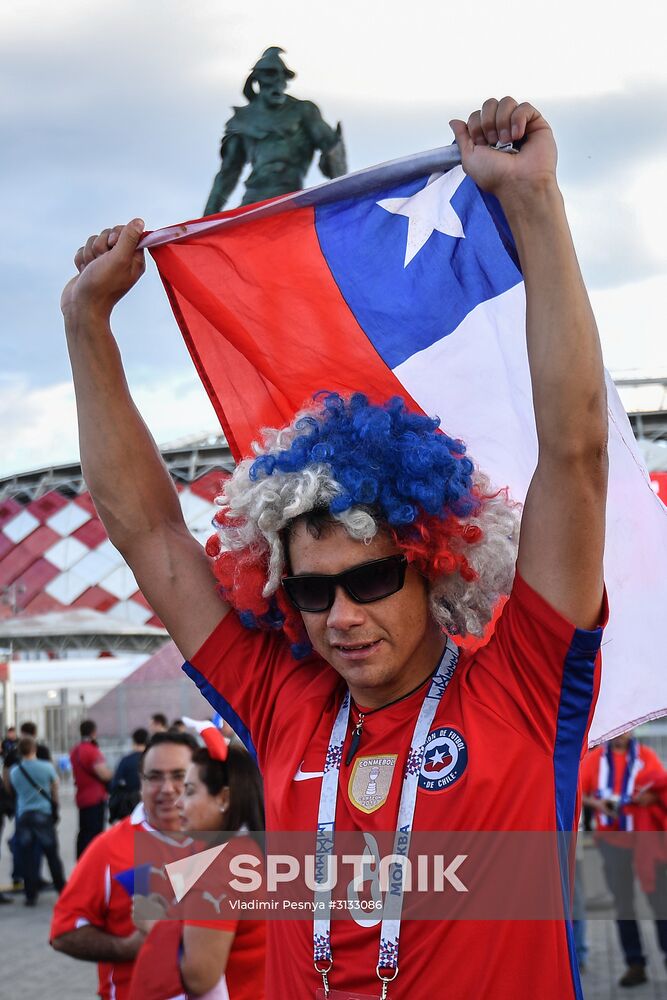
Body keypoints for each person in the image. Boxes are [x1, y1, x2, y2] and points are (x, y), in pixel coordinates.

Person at [62, 97, 608, 999]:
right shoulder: (283, 701)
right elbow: (149, 531)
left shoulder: (523, 685)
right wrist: (88, 325)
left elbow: (575, 454)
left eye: (372, 578)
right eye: (313, 592)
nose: (341, 617)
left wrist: (531, 203)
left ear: (436, 562)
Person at [50, 731, 197, 1000]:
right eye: (155, 777)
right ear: (141, 783)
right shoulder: (108, 848)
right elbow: (63, 933)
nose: (167, 788)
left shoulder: (224, 839)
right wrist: (128, 947)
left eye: (179, 775)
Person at [128, 720, 265, 999]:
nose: (178, 802)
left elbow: (200, 976)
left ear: (224, 798)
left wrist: (155, 925)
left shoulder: (221, 867)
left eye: (189, 791)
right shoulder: (249, 851)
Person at [204, 46, 346, 213]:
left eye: (283, 76)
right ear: (257, 79)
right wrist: (202, 225)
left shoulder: (303, 111)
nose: (278, 81)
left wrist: (342, 198)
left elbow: (332, 150)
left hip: (289, 198)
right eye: (270, 74)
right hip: (253, 201)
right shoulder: (241, 120)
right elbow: (227, 174)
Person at [581, 731, 667, 987]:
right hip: (612, 840)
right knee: (624, 904)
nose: (623, 734)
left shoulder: (645, 756)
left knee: (659, 901)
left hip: (645, 840)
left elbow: (659, 788)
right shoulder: (596, 759)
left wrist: (649, 798)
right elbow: (579, 791)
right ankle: (635, 963)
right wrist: (598, 805)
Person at [9, 735, 65, 906]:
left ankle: (30, 894)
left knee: (27, 856)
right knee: (51, 854)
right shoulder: (46, 767)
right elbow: (55, 786)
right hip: (43, 814)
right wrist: (55, 804)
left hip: (24, 815)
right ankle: (62, 890)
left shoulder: (15, 771)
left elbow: (13, 789)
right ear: (34, 749)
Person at [70, 718, 113, 857]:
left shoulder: (75, 750)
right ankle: (92, 863)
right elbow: (103, 774)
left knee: (83, 833)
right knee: (94, 835)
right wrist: (113, 774)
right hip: (95, 798)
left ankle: (81, 864)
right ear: (94, 732)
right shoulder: (91, 750)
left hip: (82, 797)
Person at [108, 727, 148, 822]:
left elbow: (114, 785)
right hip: (148, 805)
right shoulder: (151, 760)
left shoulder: (126, 761)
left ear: (133, 742)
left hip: (129, 806)